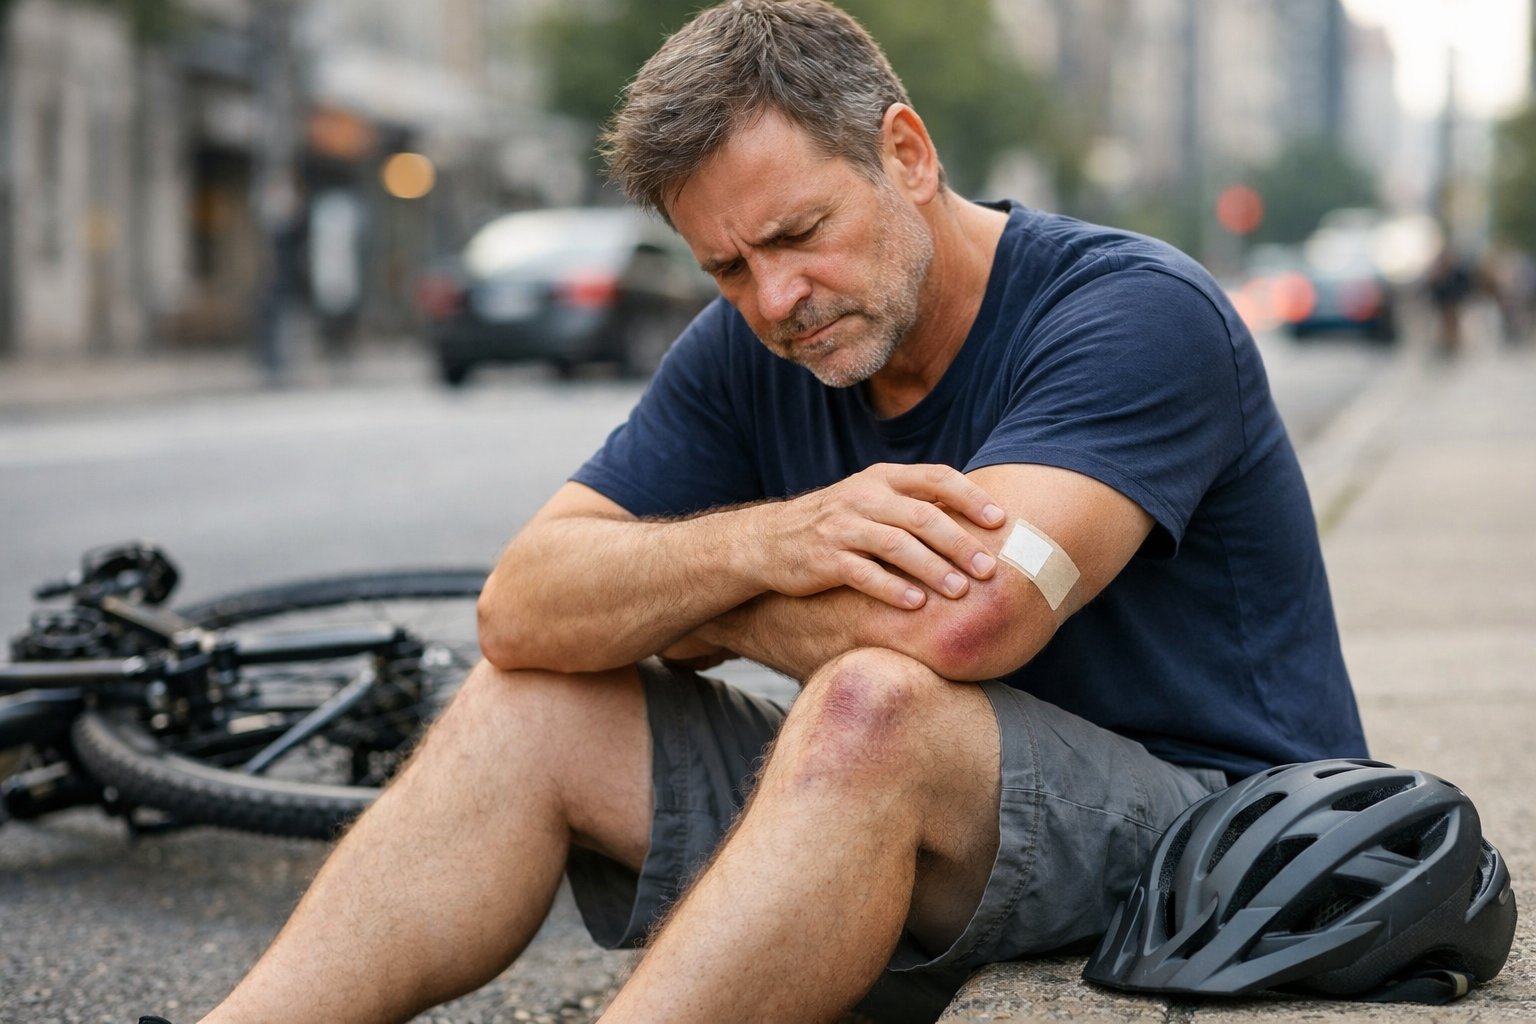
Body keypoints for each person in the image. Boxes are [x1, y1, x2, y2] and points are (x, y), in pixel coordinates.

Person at [182, 2, 1367, 1022]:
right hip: (922, 844)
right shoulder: (756, 344)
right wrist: (767, 539)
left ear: (906, 153)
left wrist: (706, 609)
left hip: (1217, 852)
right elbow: (522, 604)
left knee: (875, 701)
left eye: (800, 234)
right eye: (727, 268)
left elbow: (966, 626)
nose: (777, 298)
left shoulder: (1131, 312)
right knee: (528, 702)